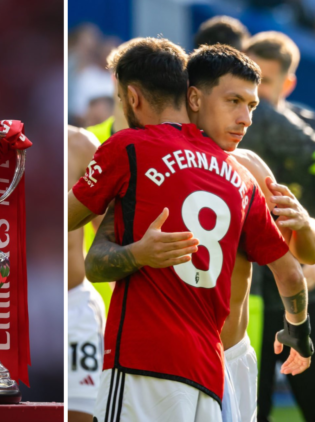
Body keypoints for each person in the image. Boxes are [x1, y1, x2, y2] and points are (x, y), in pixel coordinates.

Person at [68, 37, 311, 421]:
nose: (246, 118)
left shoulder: (135, 149)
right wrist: (299, 328)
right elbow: (294, 269)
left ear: (130, 97)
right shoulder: (240, 174)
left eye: (250, 106)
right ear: (193, 97)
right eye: (234, 102)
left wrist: (139, 253)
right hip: (207, 363)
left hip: (169, 359)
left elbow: (88, 251)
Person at [239, 30, 315, 422]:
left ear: (288, 83)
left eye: (265, 82)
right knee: (253, 407)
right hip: (250, 295)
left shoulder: (304, 130)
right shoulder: (234, 130)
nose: (258, 95)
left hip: (301, 292)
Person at [67, 126, 106, 422]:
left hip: (76, 307)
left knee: (84, 413)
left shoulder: (81, 144)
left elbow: (112, 237)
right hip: (13, 308)